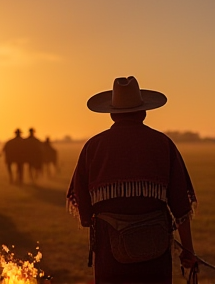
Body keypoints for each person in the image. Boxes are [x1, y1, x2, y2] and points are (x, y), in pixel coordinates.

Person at [67, 76, 198, 284]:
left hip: (110, 254)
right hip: (155, 253)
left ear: (111, 114)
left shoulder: (94, 146)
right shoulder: (163, 144)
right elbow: (181, 205)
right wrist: (188, 250)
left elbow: (83, 208)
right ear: (144, 112)